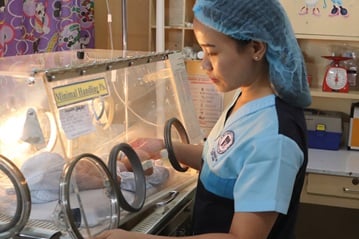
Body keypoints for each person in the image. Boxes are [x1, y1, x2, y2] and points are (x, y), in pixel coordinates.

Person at [94, 0, 311, 238]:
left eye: (213, 52)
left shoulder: (274, 138)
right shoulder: (244, 97)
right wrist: (166, 147)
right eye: (202, 51)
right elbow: (221, 160)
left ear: (256, 48)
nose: (204, 64)